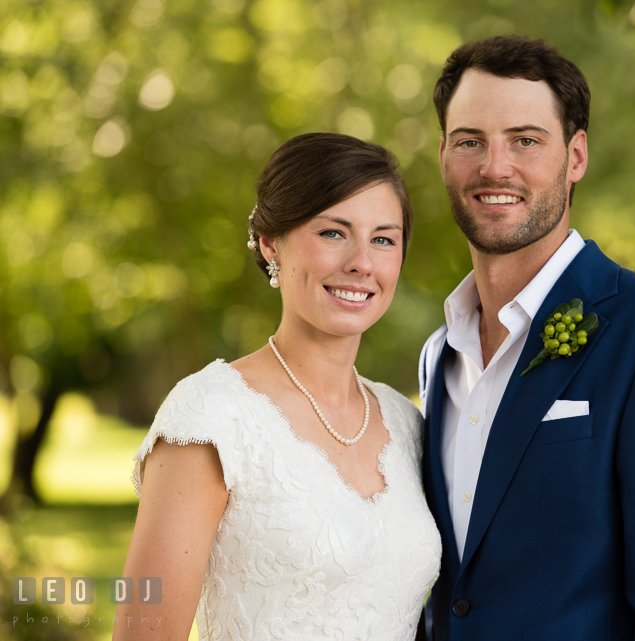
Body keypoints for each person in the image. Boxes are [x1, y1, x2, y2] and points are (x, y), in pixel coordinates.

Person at [418, 35, 635, 640]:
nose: (495, 167)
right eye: (470, 142)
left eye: (526, 140)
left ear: (577, 156)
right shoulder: (439, 355)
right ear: (442, 156)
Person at [116, 133, 440, 641]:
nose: (362, 262)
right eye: (334, 233)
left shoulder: (407, 422)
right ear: (271, 244)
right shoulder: (210, 414)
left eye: (383, 238)